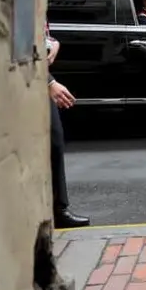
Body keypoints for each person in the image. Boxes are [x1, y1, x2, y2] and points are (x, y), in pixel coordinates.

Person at [45, 21, 90, 229]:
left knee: (55, 142)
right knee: (53, 142)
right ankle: (57, 209)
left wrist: (53, 43)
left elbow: (42, 35)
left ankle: (58, 209)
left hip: (42, 78)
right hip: (37, 81)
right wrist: (49, 82)